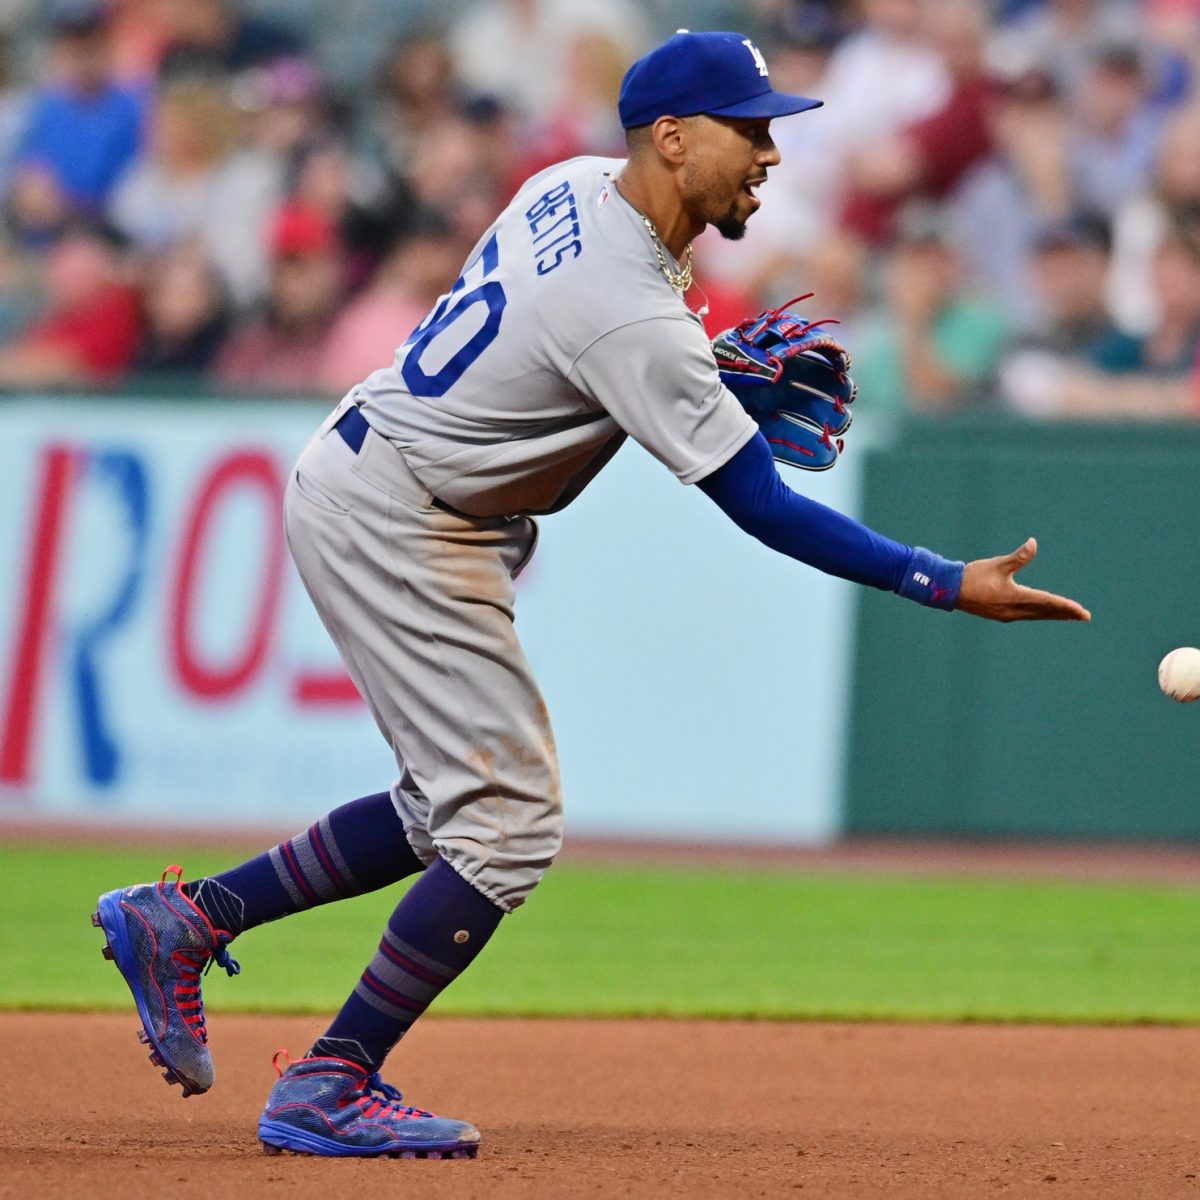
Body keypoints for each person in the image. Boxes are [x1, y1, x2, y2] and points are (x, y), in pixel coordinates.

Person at [91, 30, 1090, 1161]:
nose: (769, 153)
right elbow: (760, 503)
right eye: (748, 129)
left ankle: (189, 918)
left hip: (393, 482)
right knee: (508, 824)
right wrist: (944, 581)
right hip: (401, 514)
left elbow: (583, 344)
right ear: (672, 138)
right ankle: (330, 1078)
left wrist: (700, 371)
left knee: (446, 806)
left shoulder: (569, 183)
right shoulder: (636, 314)